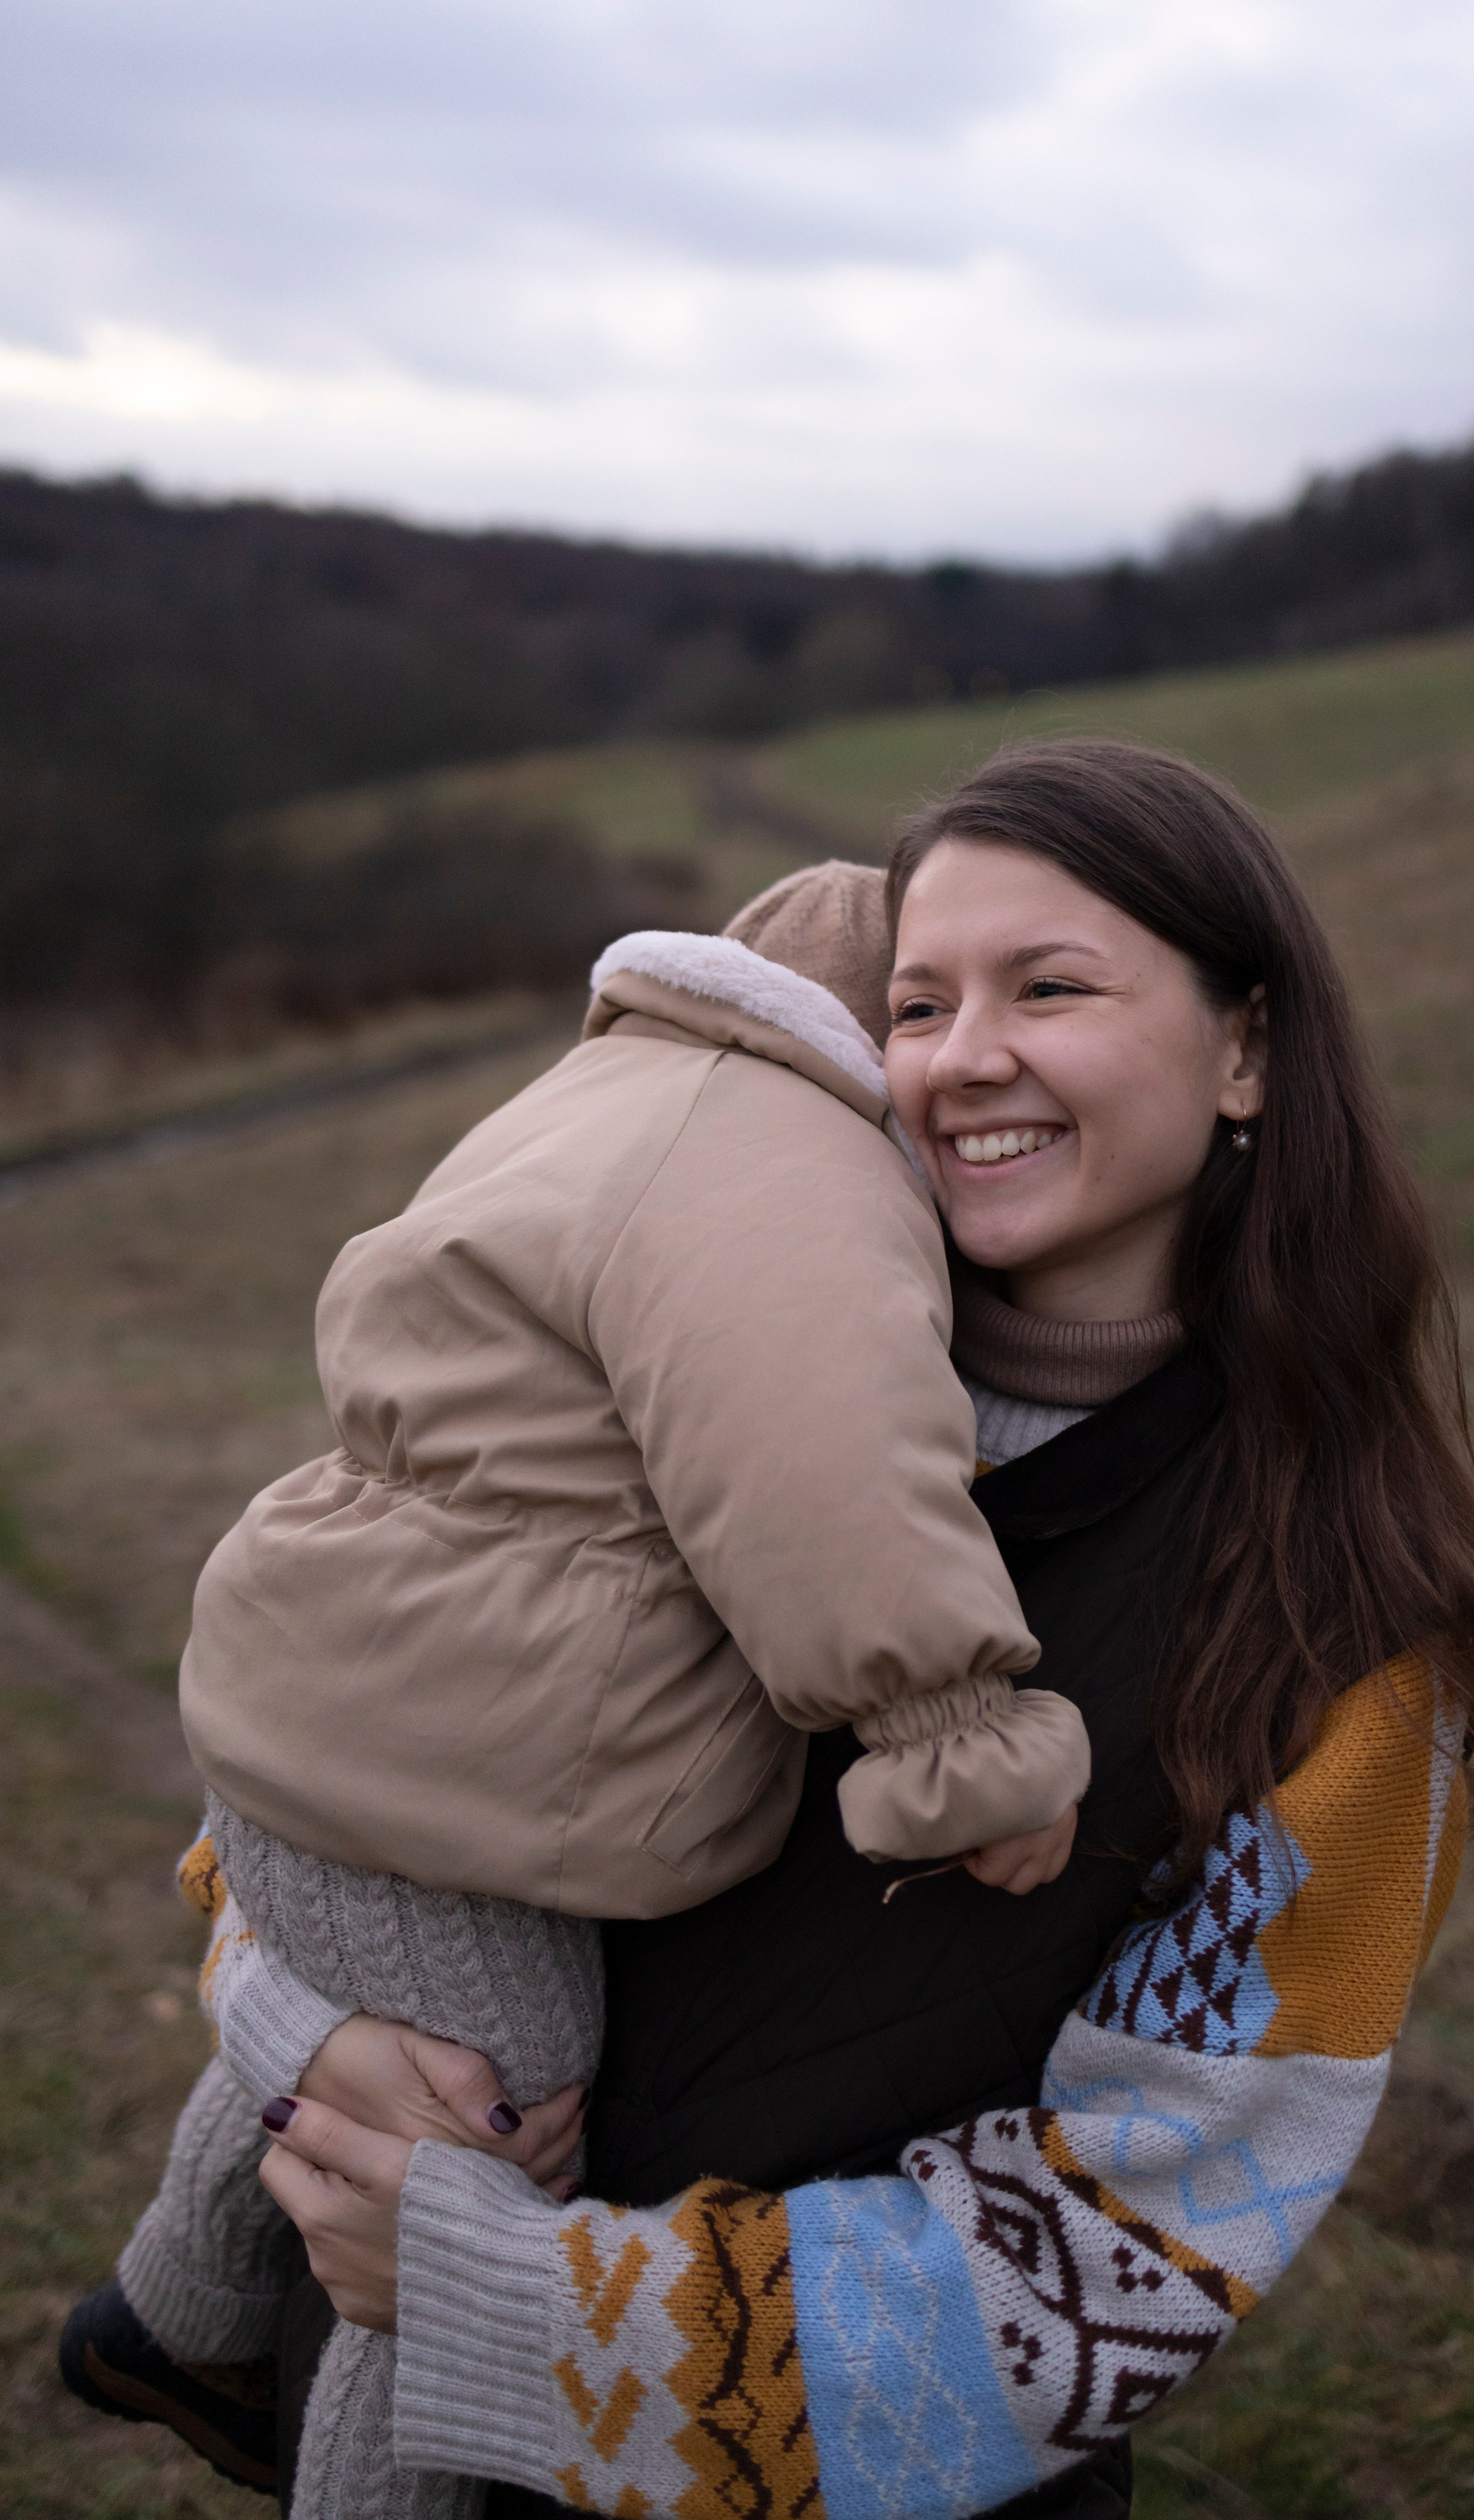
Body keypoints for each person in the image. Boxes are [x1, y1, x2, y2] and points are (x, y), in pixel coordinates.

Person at [165, 740, 1474, 2519]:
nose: (964, 1058)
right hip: (386, 2411)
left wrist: (515, 2302)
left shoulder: (1348, 1627)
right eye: (917, 1003)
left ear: (1249, 1049)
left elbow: (1131, 2248)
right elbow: (306, 1792)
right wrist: (308, 2038)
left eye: (1050, 987)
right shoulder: (697, 1374)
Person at [59, 861, 1094, 2520]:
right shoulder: (793, 1174)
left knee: (394, 2055)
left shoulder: (599, 1084)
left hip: (338, 1680)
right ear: (862, 1036)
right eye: (923, 1015)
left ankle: (177, 2318)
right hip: (459, 1751)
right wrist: (959, 1743)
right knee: (479, 2159)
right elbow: (828, 1470)